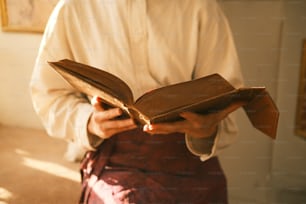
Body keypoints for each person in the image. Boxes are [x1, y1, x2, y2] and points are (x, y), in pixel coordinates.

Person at [30, 0, 244, 203]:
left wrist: (207, 128)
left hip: (188, 153)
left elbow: (226, 95)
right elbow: (49, 94)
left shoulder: (201, 6)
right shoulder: (73, 8)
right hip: (114, 155)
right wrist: (89, 122)